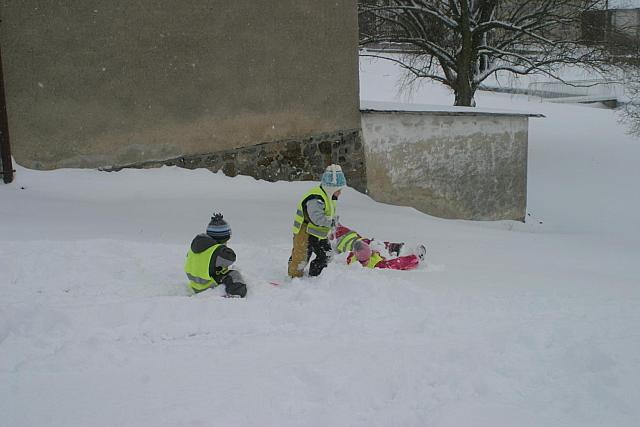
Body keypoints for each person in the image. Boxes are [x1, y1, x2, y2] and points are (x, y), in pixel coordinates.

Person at [288, 164, 346, 278]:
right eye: (338, 190)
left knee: (326, 255)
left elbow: (327, 214)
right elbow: (317, 218)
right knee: (301, 257)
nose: (340, 193)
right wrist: (332, 222)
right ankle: (294, 276)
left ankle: (316, 276)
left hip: (318, 233)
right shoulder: (316, 198)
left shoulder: (329, 196)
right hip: (304, 231)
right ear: (331, 188)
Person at [184, 213, 247, 297]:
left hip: (195, 285)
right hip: (208, 286)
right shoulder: (216, 250)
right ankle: (237, 294)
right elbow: (231, 258)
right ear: (224, 237)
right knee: (234, 274)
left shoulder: (196, 245)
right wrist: (223, 247)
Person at [331, 224, 426, 271]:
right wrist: (414, 258)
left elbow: (353, 255)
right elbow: (397, 264)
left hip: (351, 237)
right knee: (375, 244)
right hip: (347, 237)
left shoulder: (353, 257)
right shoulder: (375, 264)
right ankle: (393, 248)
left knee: (374, 244)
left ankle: (392, 248)